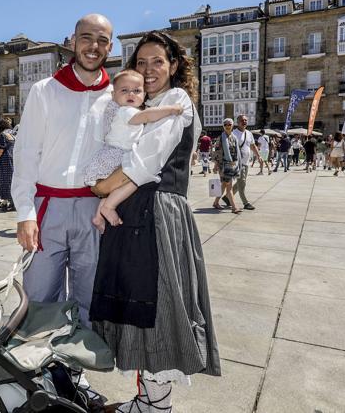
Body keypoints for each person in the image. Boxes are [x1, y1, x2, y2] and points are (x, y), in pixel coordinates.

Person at [88, 31, 220, 412]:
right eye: (140, 63)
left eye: (157, 62)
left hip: (159, 213)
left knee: (159, 306)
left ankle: (155, 407)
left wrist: (100, 188)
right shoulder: (146, 103)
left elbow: (147, 160)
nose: (147, 70)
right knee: (139, 306)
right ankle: (147, 401)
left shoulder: (177, 100)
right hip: (136, 212)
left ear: (174, 66)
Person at [12, 13, 113, 328]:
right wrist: (25, 214)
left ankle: (77, 366)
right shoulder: (45, 90)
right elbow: (27, 153)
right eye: (86, 38)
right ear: (72, 41)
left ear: (110, 47)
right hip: (48, 208)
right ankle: (43, 368)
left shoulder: (117, 98)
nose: (93, 47)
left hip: (93, 210)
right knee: (40, 295)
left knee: (91, 296)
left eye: (102, 40)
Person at [82, 69, 183, 230]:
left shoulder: (123, 110)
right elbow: (148, 116)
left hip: (114, 156)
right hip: (116, 155)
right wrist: (170, 109)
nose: (131, 94)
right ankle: (109, 207)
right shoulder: (125, 111)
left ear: (143, 95)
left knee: (118, 186)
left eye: (137, 91)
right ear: (114, 95)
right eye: (124, 90)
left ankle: (99, 215)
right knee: (136, 179)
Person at [222, 114, 260, 211]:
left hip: (246, 162)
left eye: (246, 120)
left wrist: (258, 156)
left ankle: (226, 198)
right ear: (237, 122)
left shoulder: (249, 133)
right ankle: (245, 203)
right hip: (237, 163)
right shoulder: (233, 133)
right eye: (242, 120)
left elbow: (253, 146)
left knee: (240, 182)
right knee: (242, 183)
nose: (244, 122)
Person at [213, 118, 242, 213]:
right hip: (223, 165)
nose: (228, 126)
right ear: (223, 126)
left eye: (229, 124)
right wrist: (215, 165)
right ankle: (234, 207)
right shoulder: (221, 138)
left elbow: (237, 152)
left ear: (232, 125)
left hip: (232, 165)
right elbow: (217, 152)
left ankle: (216, 202)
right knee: (228, 186)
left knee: (224, 185)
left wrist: (238, 163)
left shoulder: (234, 137)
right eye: (225, 124)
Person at [0, 120, 16, 211]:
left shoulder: (2, 136)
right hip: (12, 161)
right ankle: (6, 202)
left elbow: (0, 150)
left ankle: (12, 203)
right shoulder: (12, 136)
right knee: (9, 182)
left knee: (5, 182)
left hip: (4, 162)